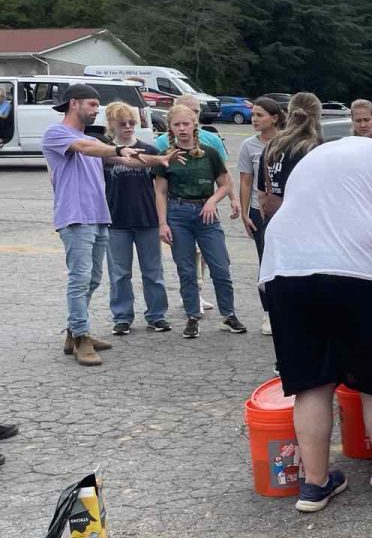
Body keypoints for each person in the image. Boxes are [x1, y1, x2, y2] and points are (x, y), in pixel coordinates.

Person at [259, 135, 372, 513]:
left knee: (312, 383)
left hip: (287, 267)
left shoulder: (317, 155)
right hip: (363, 268)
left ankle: (314, 485)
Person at [41, 83, 177, 365]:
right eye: (92, 105)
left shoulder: (93, 141)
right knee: (79, 279)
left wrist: (159, 159)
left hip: (100, 216)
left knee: (92, 278)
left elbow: (130, 160)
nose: (96, 110)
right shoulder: (58, 134)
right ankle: (81, 337)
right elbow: (83, 148)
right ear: (74, 103)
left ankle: (73, 331)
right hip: (75, 216)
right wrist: (114, 147)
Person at [154, 104, 246, 339]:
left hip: (206, 213)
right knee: (186, 269)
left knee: (220, 266)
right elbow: (161, 192)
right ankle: (193, 316)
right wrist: (163, 223)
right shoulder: (167, 158)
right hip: (178, 212)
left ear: (194, 124)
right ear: (170, 128)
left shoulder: (209, 152)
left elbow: (225, 183)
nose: (182, 129)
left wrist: (213, 200)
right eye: (177, 125)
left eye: (186, 124)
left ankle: (228, 314)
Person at [102, 101, 173, 335]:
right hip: (115, 219)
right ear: (111, 125)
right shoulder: (104, 151)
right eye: (122, 123)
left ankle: (156, 314)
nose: (128, 127)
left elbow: (161, 188)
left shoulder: (149, 150)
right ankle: (122, 316)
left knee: (153, 271)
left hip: (147, 218)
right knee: (119, 273)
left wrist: (163, 220)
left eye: (132, 122)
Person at [237, 96, 285, 334]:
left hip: (285, 211)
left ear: (274, 118)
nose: (254, 119)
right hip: (260, 212)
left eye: (260, 115)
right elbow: (246, 181)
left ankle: (287, 309)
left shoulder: (287, 142)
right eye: (253, 115)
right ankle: (268, 312)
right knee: (265, 260)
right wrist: (246, 213)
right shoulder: (249, 146)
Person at [258, 92, 323, 221]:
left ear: (289, 113)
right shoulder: (315, 149)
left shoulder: (272, 146)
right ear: (317, 116)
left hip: (275, 220)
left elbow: (261, 194)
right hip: (305, 222)